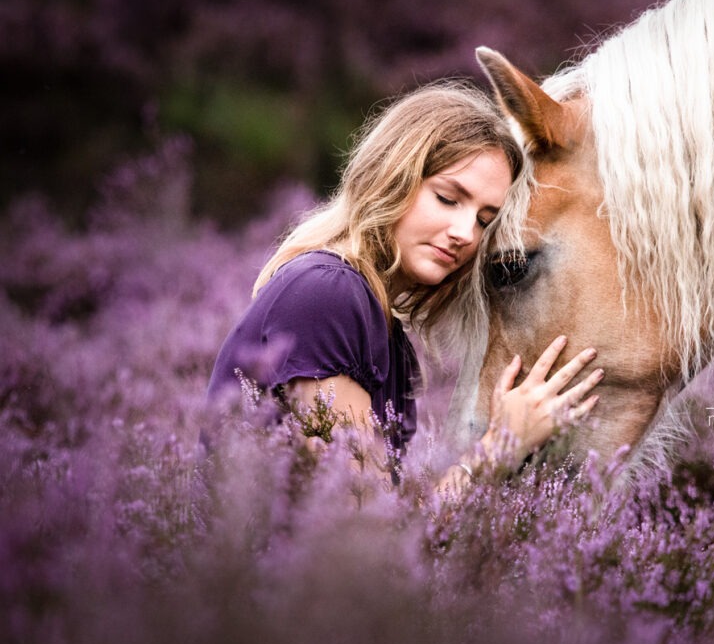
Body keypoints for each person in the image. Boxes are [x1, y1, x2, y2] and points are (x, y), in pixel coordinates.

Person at [207, 82, 604, 493]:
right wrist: (500, 448)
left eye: (486, 220)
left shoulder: (379, 320)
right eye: (448, 199)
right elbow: (363, 525)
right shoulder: (328, 294)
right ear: (394, 176)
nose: (465, 233)